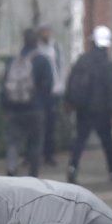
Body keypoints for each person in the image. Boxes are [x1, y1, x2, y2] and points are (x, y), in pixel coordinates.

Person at [65, 25, 112, 185]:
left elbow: (71, 81)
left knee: (80, 140)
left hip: (84, 109)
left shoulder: (83, 60)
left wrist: (69, 102)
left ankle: (72, 168)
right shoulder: (108, 64)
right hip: (102, 111)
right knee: (108, 143)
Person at [1, 29, 53, 177]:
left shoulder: (13, 61)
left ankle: (11, 168)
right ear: (36, 41)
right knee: (35, 143)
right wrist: (43, 105)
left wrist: (5, 107)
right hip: (35, 109)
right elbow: (48, 86)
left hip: (15, 109)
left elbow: (4, 84)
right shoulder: (42, 60)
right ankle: (33, 174)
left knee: (13, 142)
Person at [36, 24, 64, 166]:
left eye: (48, 31)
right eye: (44, 32)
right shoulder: (37, 48)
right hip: (40, 93)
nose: (46, 34)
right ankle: (35, 155)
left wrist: (60, 86)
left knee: (50, 126)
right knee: (37, 126)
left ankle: (49, 154)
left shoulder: (55, 47)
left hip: (54, 91)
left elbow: (60, 67)